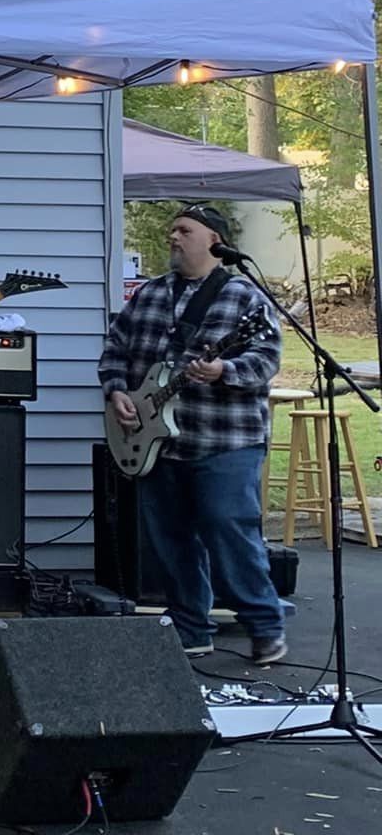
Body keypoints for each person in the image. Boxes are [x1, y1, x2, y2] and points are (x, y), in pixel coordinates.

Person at [99, 204, 285, 663]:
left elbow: (266, 359)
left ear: (214, 241)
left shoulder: (245, 297)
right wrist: (117, 391)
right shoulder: (150, 294)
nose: (174, 238)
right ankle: (190, 628)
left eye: (184, 230)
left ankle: (265, 627)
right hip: (157, 442)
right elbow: (115, 346)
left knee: (228, 529)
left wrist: (224, 370)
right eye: (173, 231)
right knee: (169, 539)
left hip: (224, 439)